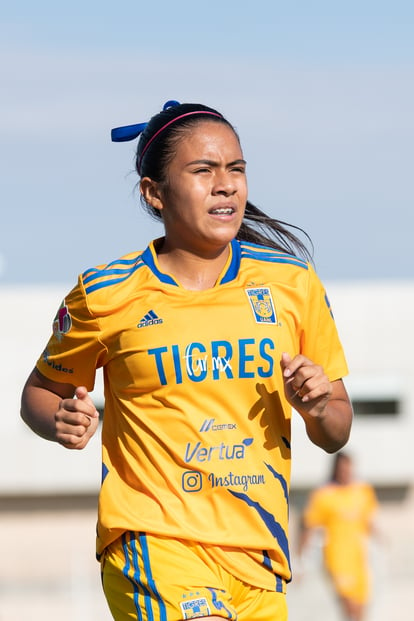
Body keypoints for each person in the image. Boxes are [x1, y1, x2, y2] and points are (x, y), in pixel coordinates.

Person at [20, 100, 353, 621]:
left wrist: (316, 404)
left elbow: (336, 430)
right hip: (154, 541)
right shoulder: (106, 292)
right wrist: (59, 419)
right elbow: (39, 393)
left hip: (259, 556)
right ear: (154, 193)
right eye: (203, 170)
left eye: (236, 169)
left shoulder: (293, 284)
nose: (227, 184)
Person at [297, 452, 378, 621]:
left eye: (348, 468)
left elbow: (368, 522)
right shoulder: (324, 495)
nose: (345, 472)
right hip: (337, 559)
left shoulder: (363, 491)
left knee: (360, 610)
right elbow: (309, 526)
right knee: (350, 607)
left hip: (359, 559)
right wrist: (300, 560)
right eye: (342, 468)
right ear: (335, 469)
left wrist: (381, 541)